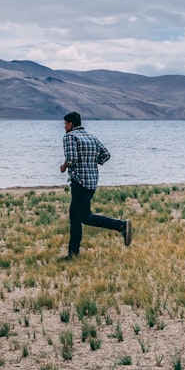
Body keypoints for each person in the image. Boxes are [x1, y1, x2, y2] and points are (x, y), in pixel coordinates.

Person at [59, 111, 131, 260]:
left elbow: (71, 158)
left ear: (71, 124)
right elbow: (106, 155)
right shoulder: (91, 137)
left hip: (79, 181)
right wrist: (91, 162)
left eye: (65, 124)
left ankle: (121, 225)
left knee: (85, 216)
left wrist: (64, 166)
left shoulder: (70, 137)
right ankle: (73, 253)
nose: (64, 126)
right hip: (92, 182)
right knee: (74, 216)